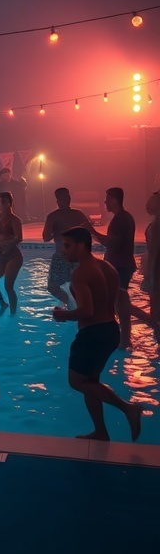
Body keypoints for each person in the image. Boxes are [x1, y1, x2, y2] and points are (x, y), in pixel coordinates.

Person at [53, 227, 143, 442]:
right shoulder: (107, 267)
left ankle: (128, 409)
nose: (63, 250)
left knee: (76, 382)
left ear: (81, 246)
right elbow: (119, 298)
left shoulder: (81, 273)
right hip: (110, 329)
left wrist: (63, 315)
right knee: (91, 383)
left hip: (92, 334)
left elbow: (87, 311)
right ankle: (101, 432)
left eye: (67, 246)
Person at [88, 187, 136, 349]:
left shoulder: (121, 219)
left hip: (120, 266)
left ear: (115, 199)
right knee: (118, 302)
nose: (105, 202)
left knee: (121, 303)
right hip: (120, 265)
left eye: (107, 199)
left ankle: (128, 338)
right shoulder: (121, 218)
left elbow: (113, 244)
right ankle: (123, 338)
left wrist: (92, 232)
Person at [42, 188, 90, 306]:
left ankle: (71, 304)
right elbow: (89, 233)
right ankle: (73, 304)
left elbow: (46, 237)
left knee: (54, 287)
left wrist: (57, 231)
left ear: (58, 201)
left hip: (64, 256)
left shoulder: (53, 216)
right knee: (77, 286)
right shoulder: (78, 215)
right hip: (74, 257)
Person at [0, 191, 23, 314]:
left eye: (2, 203)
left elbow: (19, 238)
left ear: (8, 204)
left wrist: (5, 244)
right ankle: (3, 303)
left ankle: (13, 314)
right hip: (3, 255)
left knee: (8, 286)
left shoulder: (15, 220)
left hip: (14, 256)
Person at [131, 191, 160, 338]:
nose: (146, 206)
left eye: (151, 203)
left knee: (155, 310)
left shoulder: (156, 227)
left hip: (156, 273)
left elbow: (154, 253)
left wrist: (149, 277)